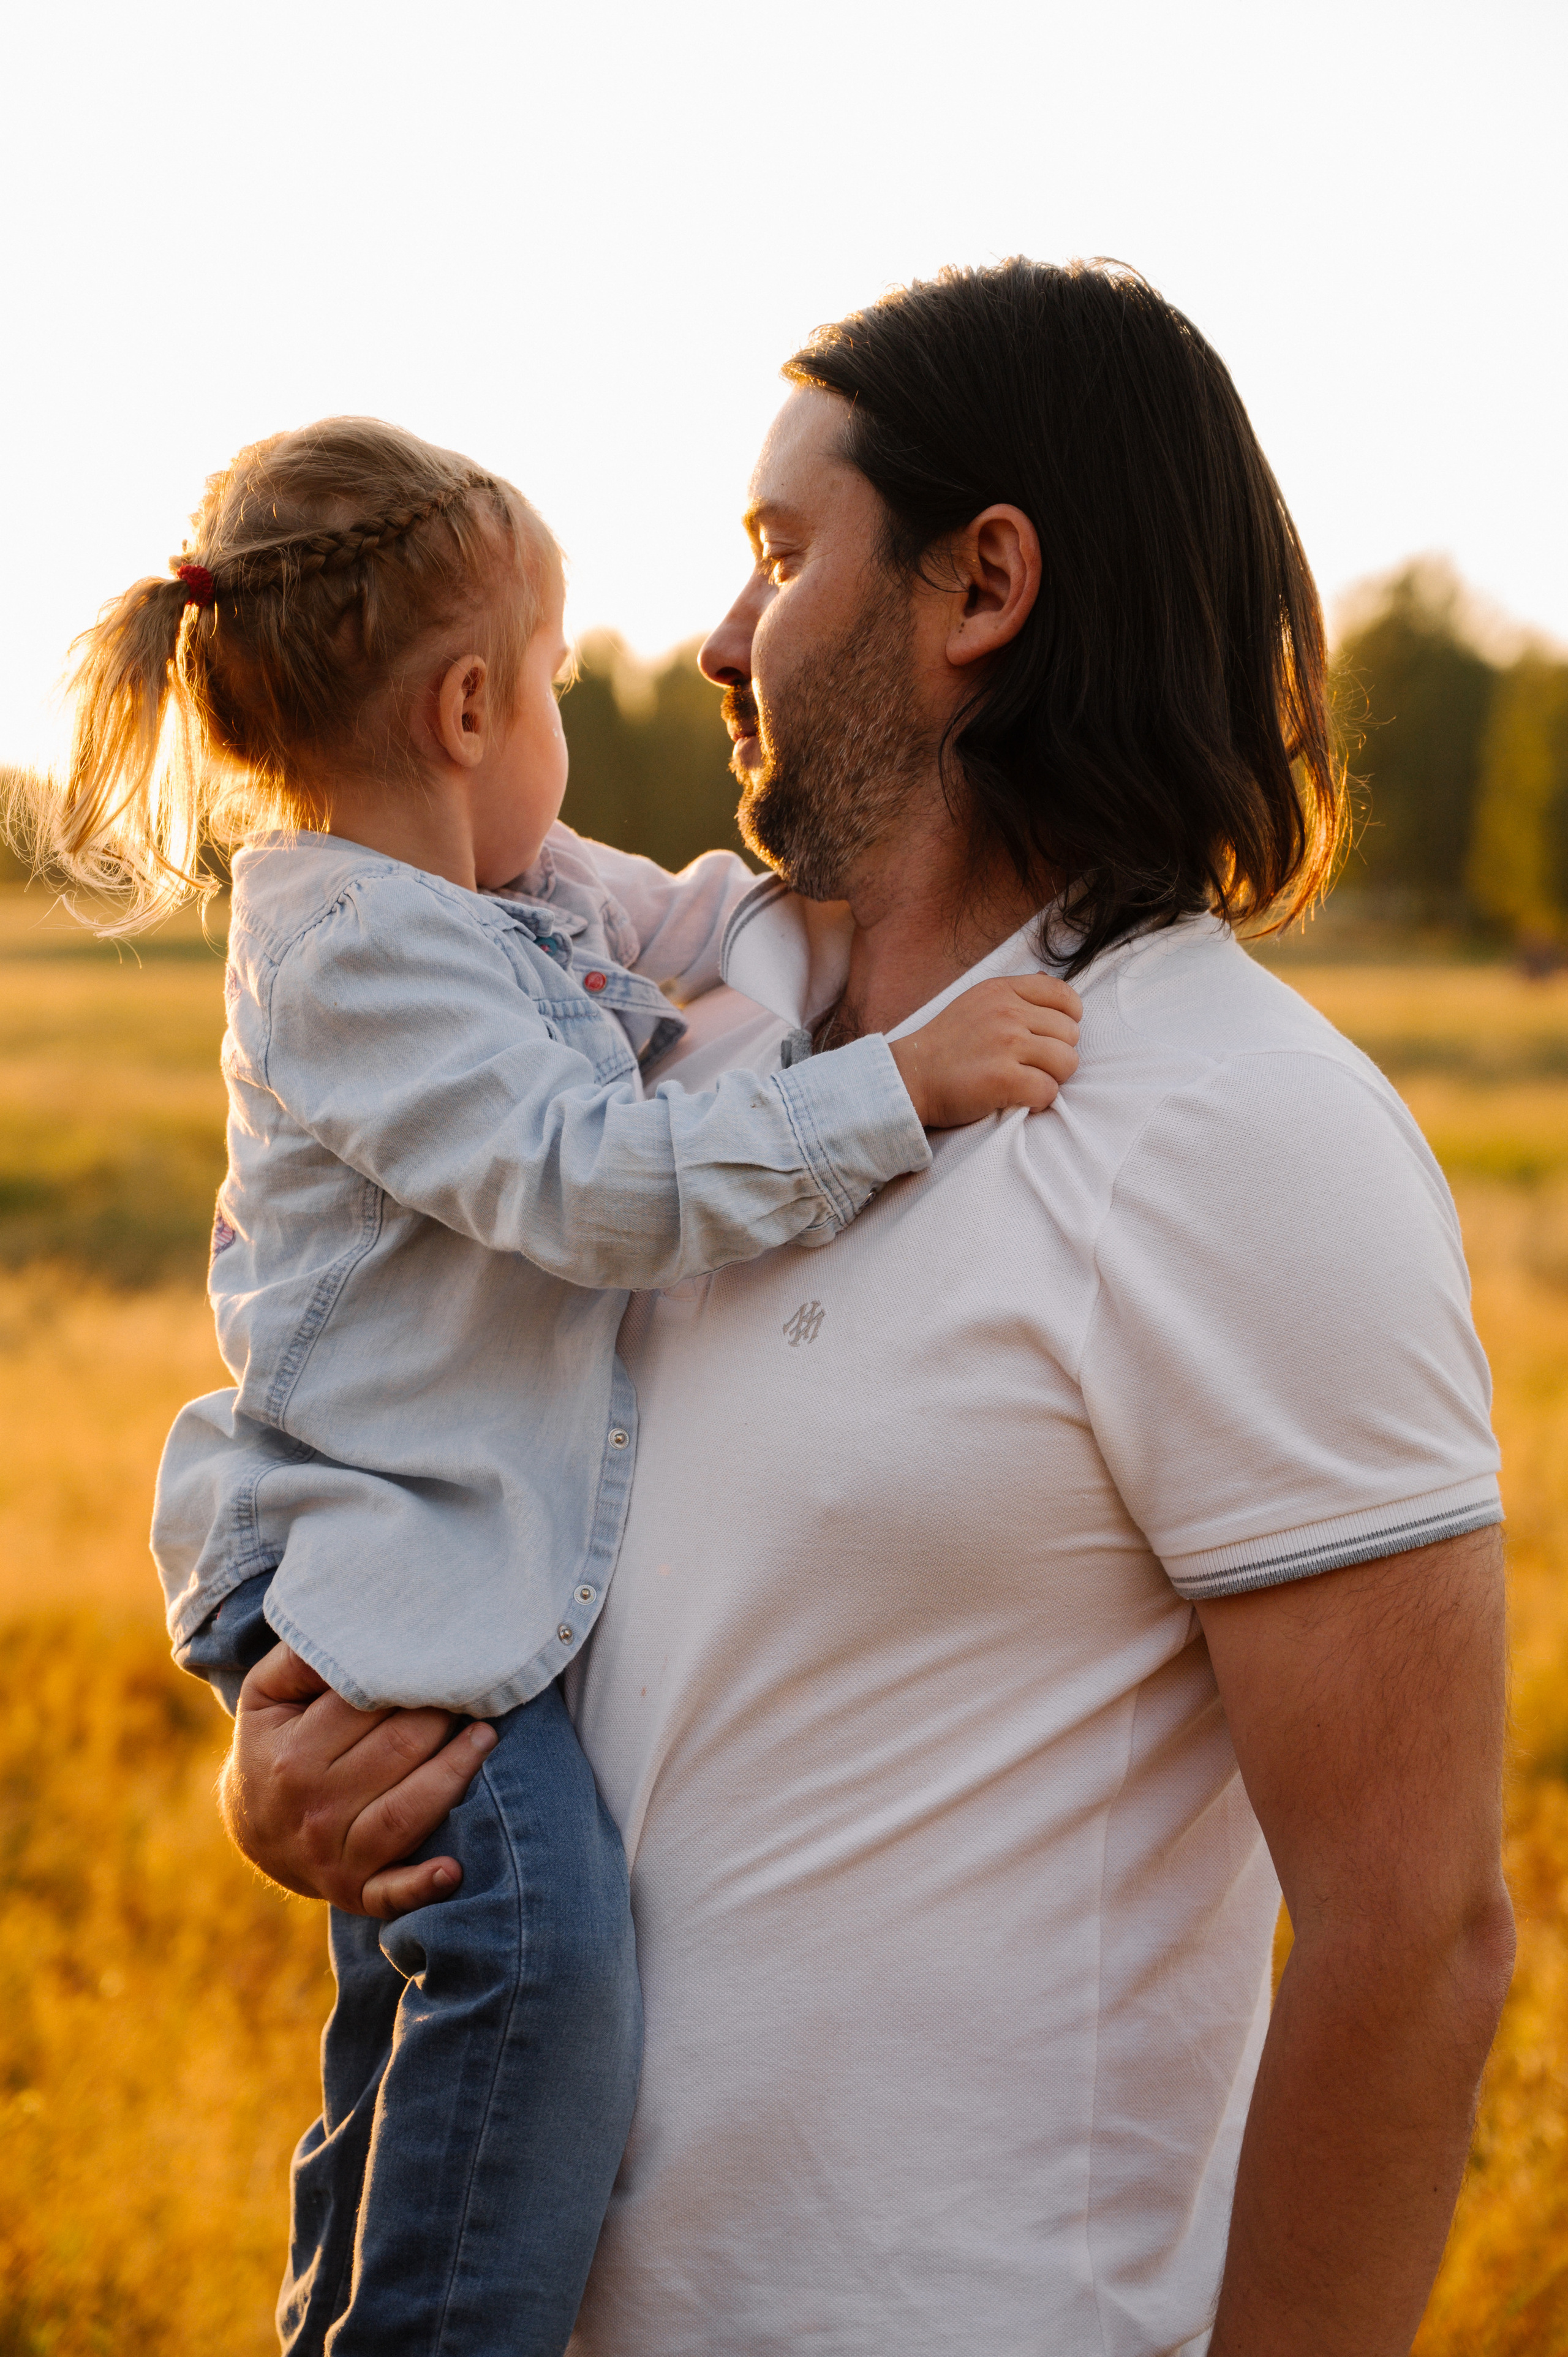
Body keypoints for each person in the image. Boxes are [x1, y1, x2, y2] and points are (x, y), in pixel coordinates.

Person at [220, 263, 1513, 2357]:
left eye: (780, 552)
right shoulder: (679, 1073)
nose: (720, 637)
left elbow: (1414, 1942)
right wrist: (301, 1779)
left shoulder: (1238, 1128)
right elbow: (453, 1480)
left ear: (980, 586)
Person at [25, 416, 1083, 2356]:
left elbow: (690, 915)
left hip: (438, 1551)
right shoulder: (352, 954)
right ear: (467, 708)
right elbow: (591, 1186)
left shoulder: (503, 884)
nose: (570, 726)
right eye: (560, 685)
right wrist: (897, 1086)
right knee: (529, 1953)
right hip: (380, 1555)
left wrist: (838, 924)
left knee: (406, 2035)